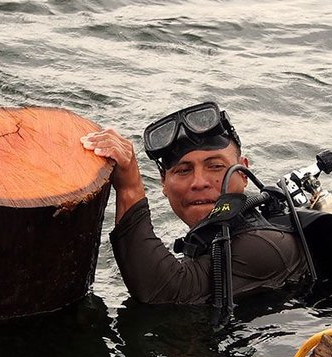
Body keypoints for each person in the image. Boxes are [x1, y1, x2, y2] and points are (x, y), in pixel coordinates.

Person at [80, 101, 311, 305]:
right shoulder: (219, 236)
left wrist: (130, 187)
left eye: (215, 166)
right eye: (183, 170)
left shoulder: (262, 245)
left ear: (243, 172)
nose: (198, 182)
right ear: (163, 182)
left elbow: (167, 291)